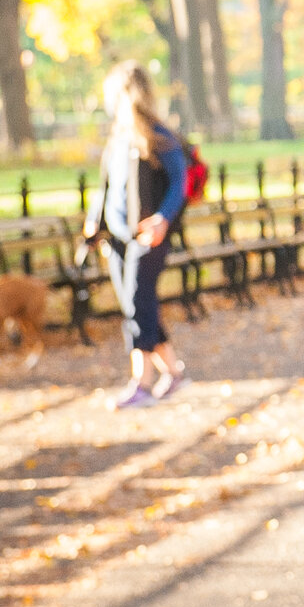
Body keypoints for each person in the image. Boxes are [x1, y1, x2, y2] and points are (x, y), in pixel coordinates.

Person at [81, 60, 192, 409]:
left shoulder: (159, 137)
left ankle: (141, 383)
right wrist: (94, 224)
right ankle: (173, 373)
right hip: (116, 240)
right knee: (136, 306)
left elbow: (180, 183)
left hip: (147, 237)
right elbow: (105, 187)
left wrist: (162, 218)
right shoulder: (117, 137)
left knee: (138, 305)